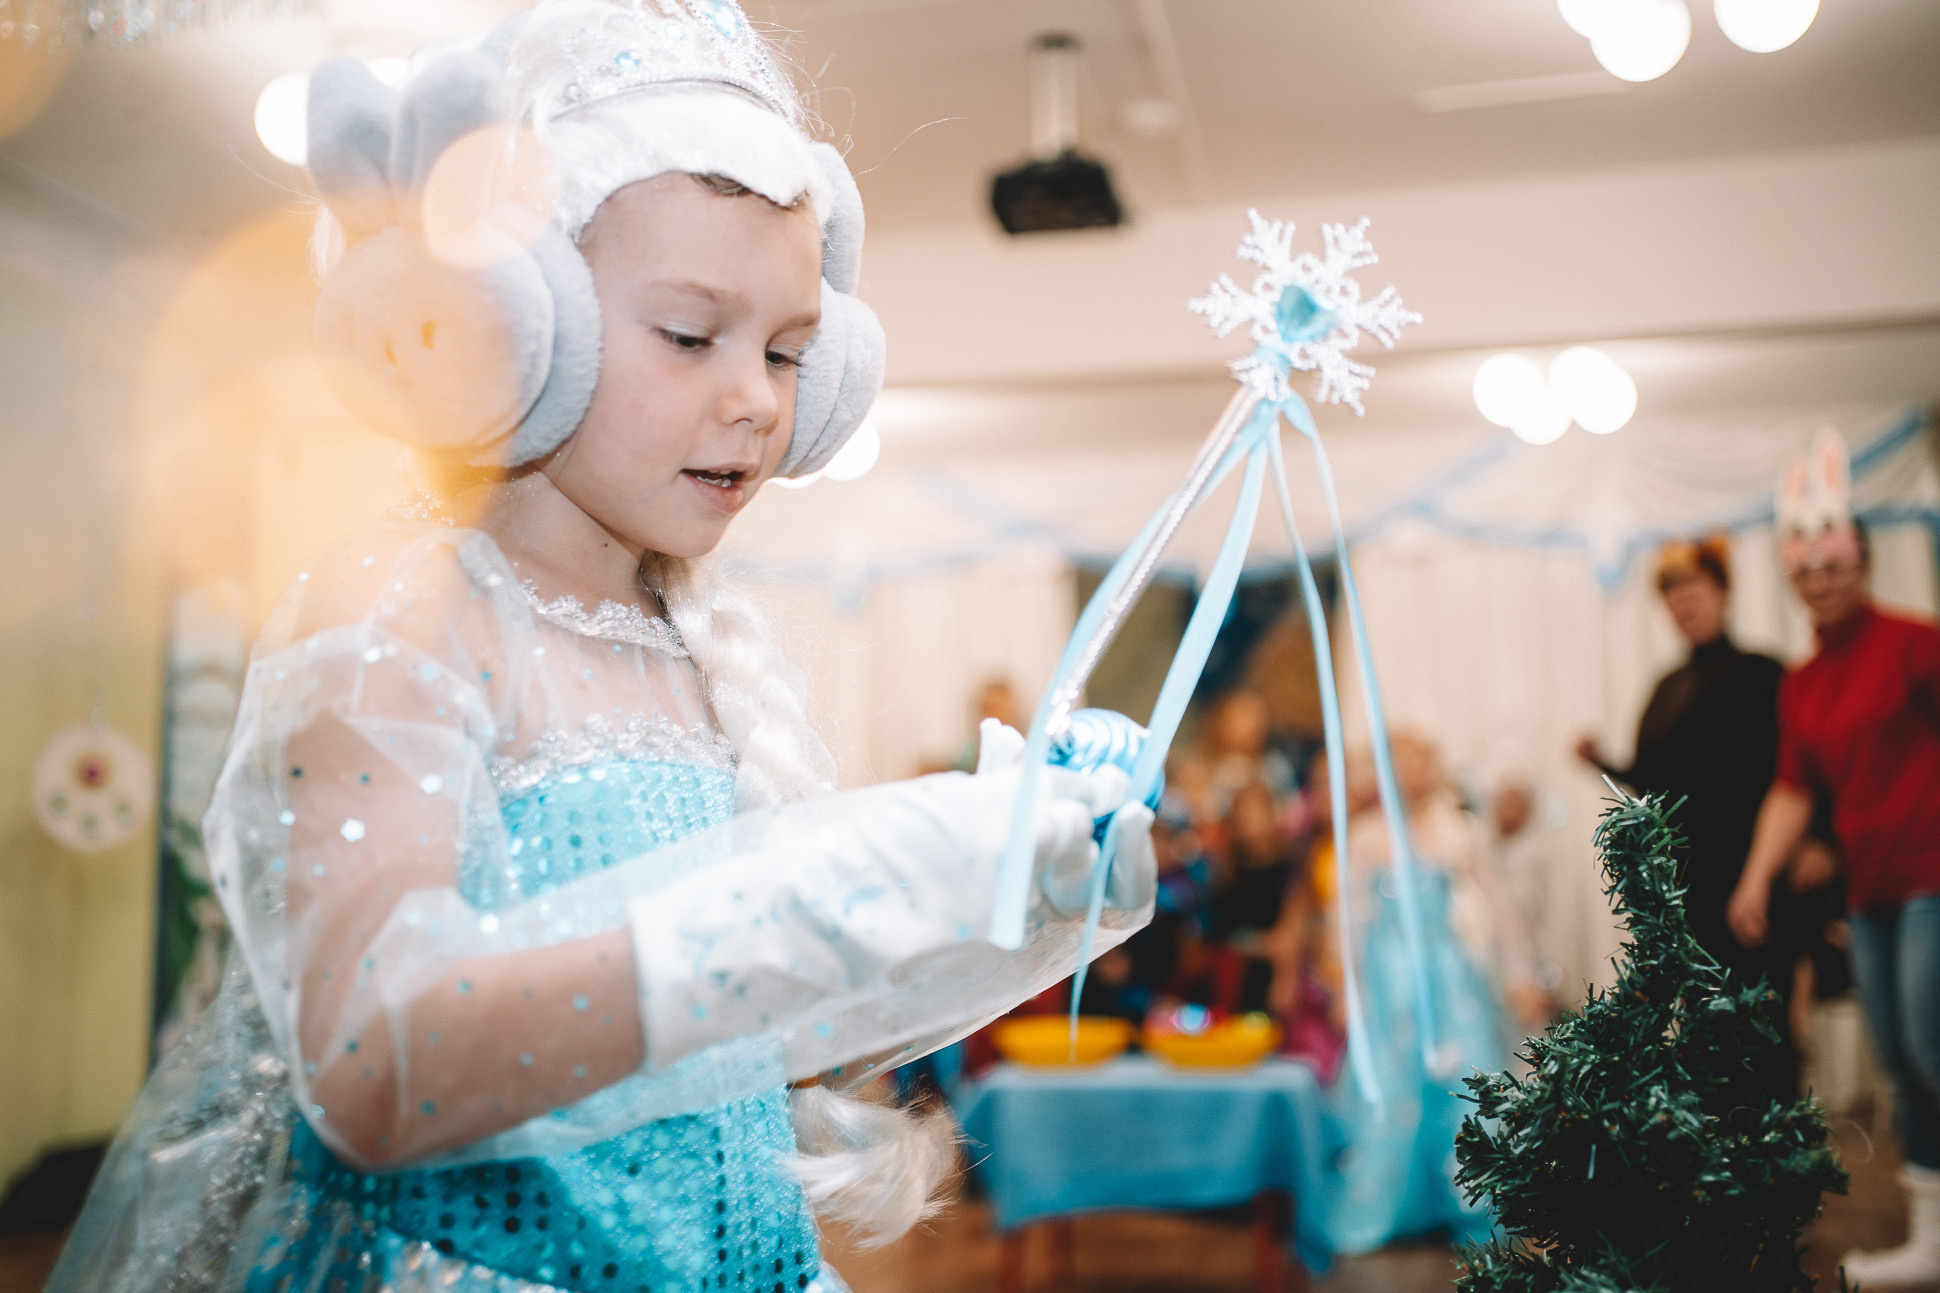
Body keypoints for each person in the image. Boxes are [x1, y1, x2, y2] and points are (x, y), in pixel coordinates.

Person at [46, 6, 1155, 1289]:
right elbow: (370, 1063)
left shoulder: (698, 645)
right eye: (690, 334)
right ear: (516, 320)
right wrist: (801, 897)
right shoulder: (397, 618)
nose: (754, 396)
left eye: (791, 351)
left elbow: (735, 1045)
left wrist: (1000, 892)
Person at [1727, 432, 1940, 1287]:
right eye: (1807, 572)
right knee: (1900, 1064)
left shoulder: (1914, 644)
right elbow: (1791, 789)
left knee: (1933, 1046)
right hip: (1871, 890)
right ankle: (1932, 1239)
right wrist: (1754, 878)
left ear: (1861, 562)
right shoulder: (1804, 683)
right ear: (1793, 579)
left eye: (1836, 565)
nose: (1823, 581)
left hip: (1933, 877)